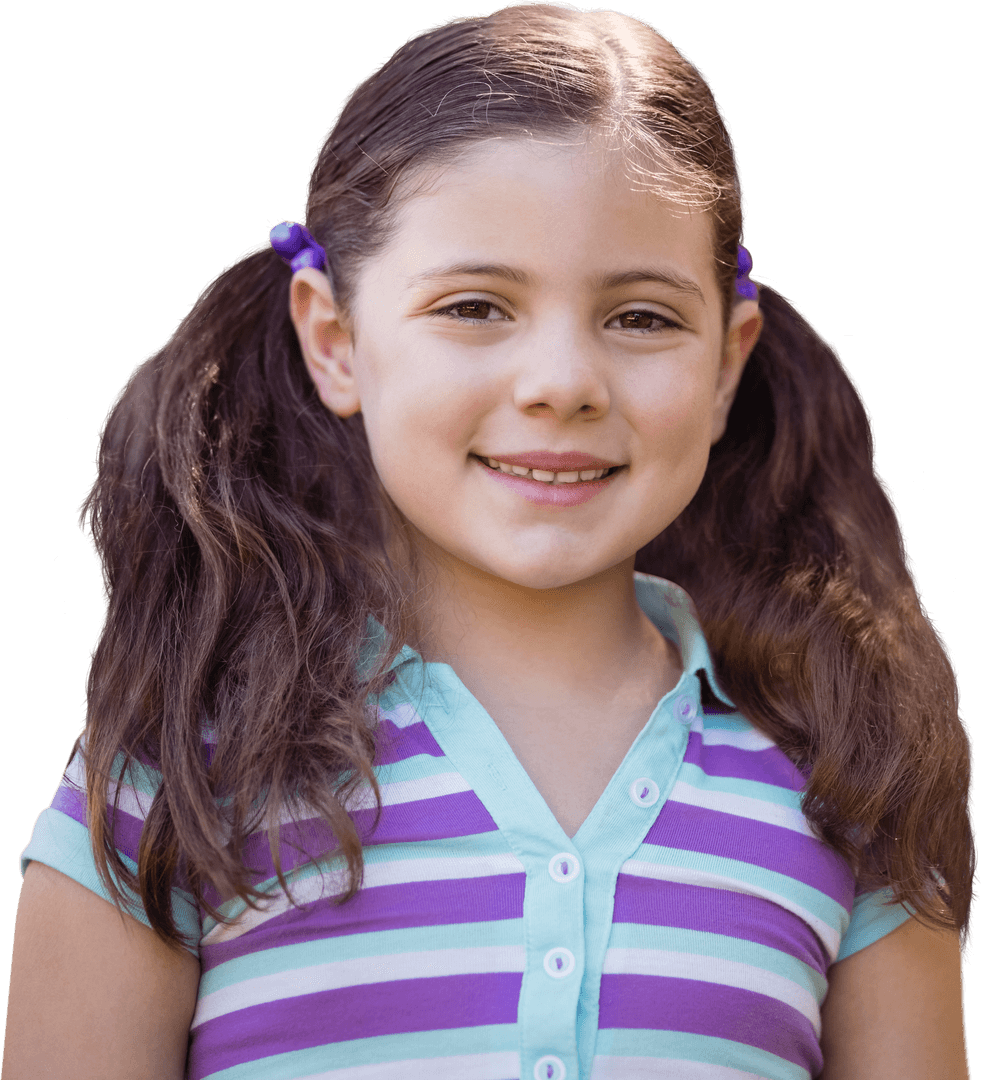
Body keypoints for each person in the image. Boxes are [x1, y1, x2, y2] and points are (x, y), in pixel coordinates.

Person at [3, 3, 973, 1078]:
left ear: (725, 366)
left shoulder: (848, 784)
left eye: (642, 318)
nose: (561, 383)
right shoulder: (177, 769)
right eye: (473, 307)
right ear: (334, 339)